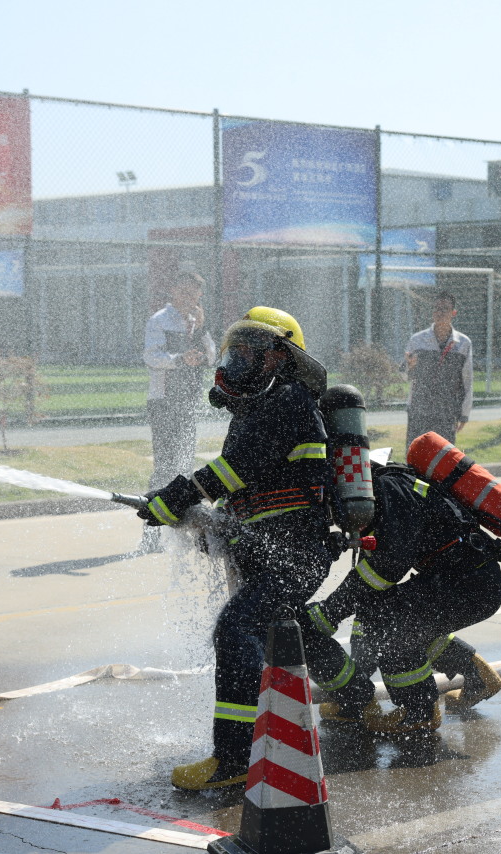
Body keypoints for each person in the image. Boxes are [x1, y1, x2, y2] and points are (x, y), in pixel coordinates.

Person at [138, 306, 373, 790]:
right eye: (235, 350)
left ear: (279, 357)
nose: (237, 358)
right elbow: (244, 489)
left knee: (236, 627)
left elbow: (235, 470)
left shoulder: (289, 399)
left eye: (250, 350)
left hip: (294, 554)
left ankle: (234, 757)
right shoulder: (257, 410)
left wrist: (178, 495)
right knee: (289, 630)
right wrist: (208, 522)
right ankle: (356, 695)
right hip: (276, 551)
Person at [302, 461, 501, 734]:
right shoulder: (389, 490)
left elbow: (388, 567)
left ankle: (419, 712)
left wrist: (330, 612)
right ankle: (477, 674)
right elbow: (369, 594)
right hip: (465, 581)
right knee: (385, 611)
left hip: (469, 586)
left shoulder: (389, 490)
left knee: (391, 623)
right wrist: (358, 678)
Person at [140, 272, 216, 551]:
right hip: (163, 402)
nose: (188, 298)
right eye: (183, 291)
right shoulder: (159, 320)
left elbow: (212, 356)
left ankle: (180, 532)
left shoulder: (198, 323)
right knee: (164, 466)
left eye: (194, 293)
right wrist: (180, 358)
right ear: (173, 291)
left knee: (184, 467)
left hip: (188, 402)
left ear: (200, 295)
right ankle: (150, 534)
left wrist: (202, 330)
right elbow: (151, 357)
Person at [405, 291, 473, 448]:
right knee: (416, 456)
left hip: (447, 412)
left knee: (443, 457)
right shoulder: (417, 340)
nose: (440, 312)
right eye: (436, 308)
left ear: (453, 313)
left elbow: (467, 380)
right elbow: (404, 375)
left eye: (445, 309)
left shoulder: (463, 343)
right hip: (419, 410)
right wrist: (410, 366)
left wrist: (464, 413)